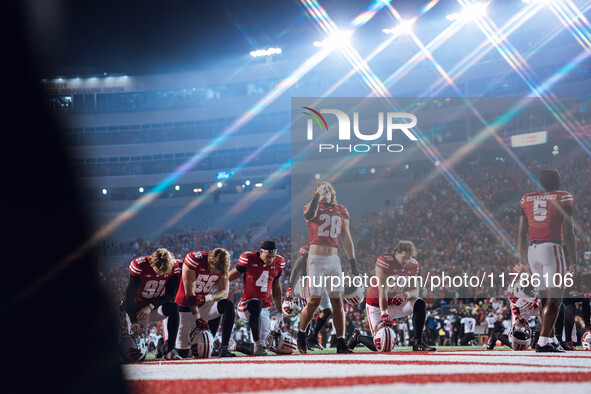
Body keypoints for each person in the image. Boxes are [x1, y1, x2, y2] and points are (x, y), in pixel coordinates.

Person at [518, 169, 578, 352]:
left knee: (545, 298)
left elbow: (521, 234)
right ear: (558, 182)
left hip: (532, 250)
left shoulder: (526, 199)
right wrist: (574, 262)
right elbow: (569, 233)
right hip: (552, 248)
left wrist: (522, 261)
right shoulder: (563, 197)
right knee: (555, 298)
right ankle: (543, 341)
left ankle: (551, 338)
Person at [298, 182, 359, 354]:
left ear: (332, 192)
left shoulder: (342, 210)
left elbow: (346, 238)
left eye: (327, 189)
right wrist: (317, 196)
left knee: (338, 302)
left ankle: (341, 342)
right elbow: (309, 215)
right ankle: (301, 335)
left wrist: (353, 262)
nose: (324, 191)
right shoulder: (311, 206)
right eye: (320, 189)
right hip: (316, 259)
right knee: (313, 302)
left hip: (333, 259)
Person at [354, 240, 435, 351]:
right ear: (396, 253)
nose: (406, 261)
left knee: (419, 302)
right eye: (404, 257)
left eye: (409, 258)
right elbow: (382, 290)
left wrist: (406, 294)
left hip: (395, 304)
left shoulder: (413, 265)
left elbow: (415, 290)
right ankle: (357, 337)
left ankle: (417, 342)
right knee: (381, 346)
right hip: (377, 305)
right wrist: (384, 314)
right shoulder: (385, 261)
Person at [174, 248, 237, 357]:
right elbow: (190, 295)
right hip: (184, 308)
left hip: (203, 304)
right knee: (182, 354)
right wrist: (198, 318)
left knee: (227, 304)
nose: (218, 273)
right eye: (216, 269)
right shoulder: (195, 260)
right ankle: (163, 345)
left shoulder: (223, 264)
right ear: (210, 262)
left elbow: (224, 292)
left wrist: (207, 298)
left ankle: (224, 347)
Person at [122, 248, 182, 360]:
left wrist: (151, 306)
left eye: (164, 272)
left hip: (155, 307)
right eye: (157, 270)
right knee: (137, 355)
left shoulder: (174, 267)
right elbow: (129, 297)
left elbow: (170, 295)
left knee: (173, 307)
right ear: (151, 262)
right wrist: (133, 320)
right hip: (138, 311)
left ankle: (170, 350)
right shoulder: (140, 265)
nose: (160, 275)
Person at [229, 240, 285, 355]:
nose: (271, 260)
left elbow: (277, 289)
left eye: (273, 257)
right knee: (256, 303)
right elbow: (229, 277)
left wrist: (280, 312)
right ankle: (256, 343)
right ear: (260, 252)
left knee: (260, 349)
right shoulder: (249, 258)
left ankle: (233, 346)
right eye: (268, 256)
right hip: (246, 305)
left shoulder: (279, 262)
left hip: (264, 309)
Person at [288, 244, 332, 350]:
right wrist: (290, 287)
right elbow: (294, 270)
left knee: (327, 310)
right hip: (305, 283)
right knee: (308, 312)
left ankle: (313, 336)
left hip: (318, 283)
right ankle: (303, 340)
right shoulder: (303, 257)